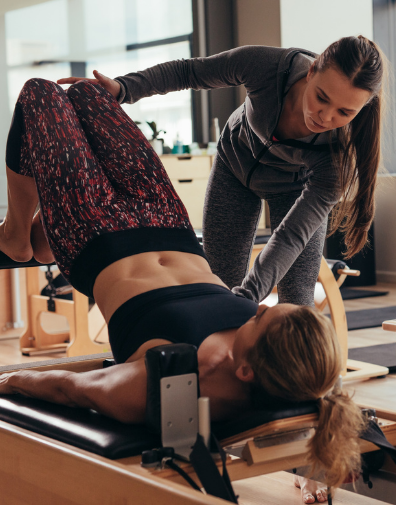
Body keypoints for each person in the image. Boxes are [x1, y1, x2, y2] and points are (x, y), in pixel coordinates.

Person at [0, 78, 363, 499]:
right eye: (267, 308)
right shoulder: (288, 357)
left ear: (245, 370)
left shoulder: (169, 381)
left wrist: (10, 381)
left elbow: (71, 388)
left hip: (95, 237)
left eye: (260, 319)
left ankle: (17, 235)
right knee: (88, 94)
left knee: (40, 94)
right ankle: (42, 232)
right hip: (169, 224)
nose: (259, 307)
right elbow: (318, 385)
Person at [57, 35, 386, 306]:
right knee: (218, 282)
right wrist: (124, 88)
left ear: (361, 108)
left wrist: (249, 296)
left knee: (297, 301)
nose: (325, 117)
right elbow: (189, 72)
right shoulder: (269, 67)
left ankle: (298, 369)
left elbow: (290, 236)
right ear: (312, 71)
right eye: (321, 98)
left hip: (294, 189)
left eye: (344, 112)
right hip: (234, 168)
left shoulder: (338, 155)